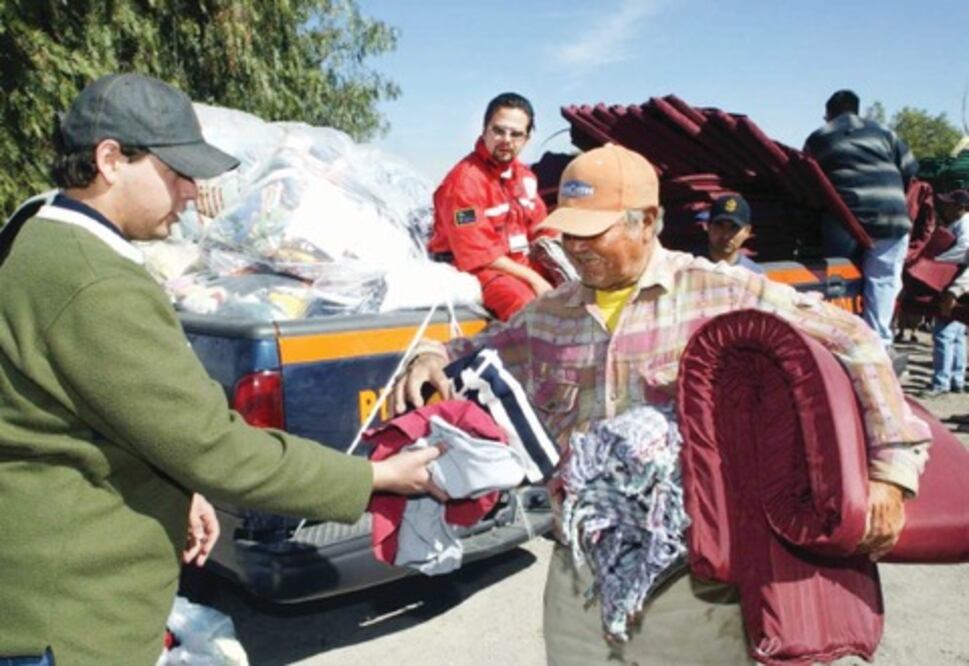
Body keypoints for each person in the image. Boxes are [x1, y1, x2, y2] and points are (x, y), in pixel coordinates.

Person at [393, 143, 930, 665]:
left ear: (647, 221)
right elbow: (477, 351)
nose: (575, 248)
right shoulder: (548, 316)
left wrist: (890, 472)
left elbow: (854, 340)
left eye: (593, 233)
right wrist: (429, 355)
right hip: (579, 583)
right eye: (569, 233)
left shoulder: (718, 292)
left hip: (694, 589)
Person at [0, 73, 442, 665]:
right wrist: (372, 480)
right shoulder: (96, 282)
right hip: (70, 620)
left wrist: (181, 487)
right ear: (110, 160)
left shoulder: (37, 237)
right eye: (177, 170)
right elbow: (215, 446)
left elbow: (105, 424)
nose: (192, 191)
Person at [804, 89, 918, 350]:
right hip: (891, 216)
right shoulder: (886, 133)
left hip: (845, 218)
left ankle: (841, 334)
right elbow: (911, 169)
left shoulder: (819, 137)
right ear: (856, 110)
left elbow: (807, 178)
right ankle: (878, 344)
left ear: (829, 113)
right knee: (883, 280)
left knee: (838, 276)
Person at [427, 92, 553, 320]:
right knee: (527, 306)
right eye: (498, 130)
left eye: (516, 134)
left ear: (527, 138)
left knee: (577, 290)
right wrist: (535, 279)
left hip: (518, 262)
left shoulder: (525, 177)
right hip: (480, 267)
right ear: (484, 130)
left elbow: (544, 228)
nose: (507, 140)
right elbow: (479, 254)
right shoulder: (464, 181)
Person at [925, 189, 969, 396]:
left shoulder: (966, 226)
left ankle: (941, 383)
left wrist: (933, 260)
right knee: (957, 334)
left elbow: (962, 250)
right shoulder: (957, 224)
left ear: (961, 207)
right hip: (959, 284)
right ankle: (956, 379)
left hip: (957, 284)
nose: (945, 208)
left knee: (943, 334)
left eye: (950, 204)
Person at [699, 193, 764, 274]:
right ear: (708, 226)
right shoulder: (686, 268)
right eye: (720, 225)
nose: (726, 235)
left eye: (734, 228)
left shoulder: (754, 274)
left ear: (747, 231)